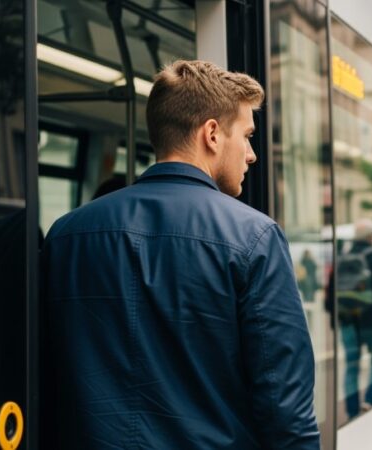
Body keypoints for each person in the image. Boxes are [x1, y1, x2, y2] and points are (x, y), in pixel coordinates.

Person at [40, 61, 319, 449]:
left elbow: (47, 377)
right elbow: (285, 408)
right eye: (247, 136)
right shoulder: (255, 237)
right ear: (212, 134)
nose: (252, 154)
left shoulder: (66, 234)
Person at [336, 218, 372, 418]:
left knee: (352, 364)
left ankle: (352, 409)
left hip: (347, 320)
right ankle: (369, 400)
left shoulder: (342, 257)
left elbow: (330, 293)